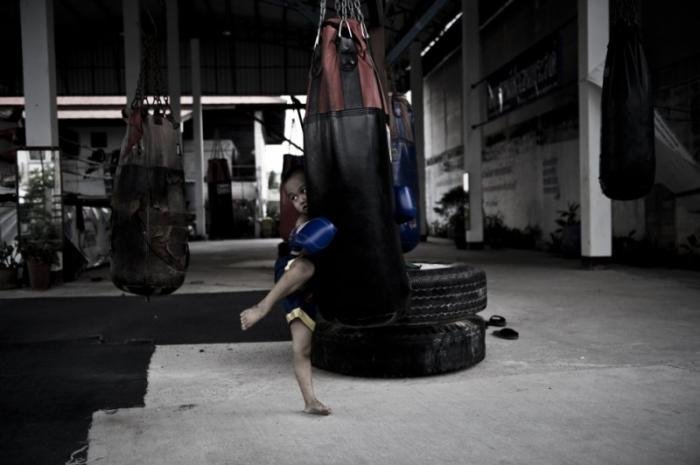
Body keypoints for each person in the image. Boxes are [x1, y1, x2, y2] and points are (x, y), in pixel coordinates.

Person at [240, 165, 336, 416]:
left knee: (302, 349)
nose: (300, 199)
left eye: (303, 191)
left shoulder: (331, 211)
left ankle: (310, 401)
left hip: (313, 289)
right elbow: (304, 256)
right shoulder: (304, 222)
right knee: (305, 266)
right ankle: (262, 306)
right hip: (291, 276)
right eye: (293, 197)